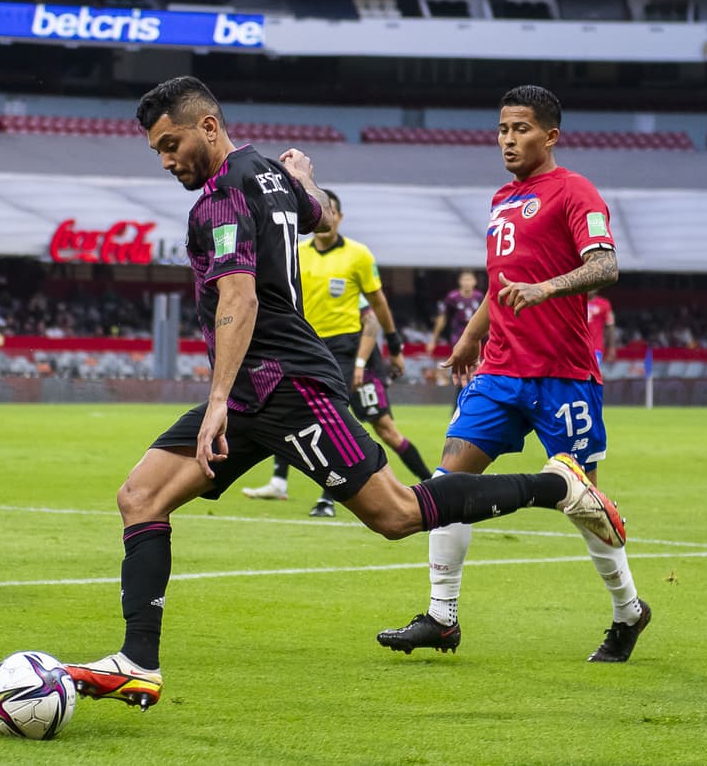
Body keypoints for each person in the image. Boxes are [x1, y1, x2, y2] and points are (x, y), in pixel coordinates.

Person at [62, 76, 630, 710]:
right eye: (158, 151)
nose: (167, 161)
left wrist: (216, 400)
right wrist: (304, 178)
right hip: (254, 389)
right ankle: (138, 662)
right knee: (140, 497)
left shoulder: (220, 199)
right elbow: (317, 216)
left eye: (172, 145)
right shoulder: (268, 173)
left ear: (209, 126)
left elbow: (239, 297)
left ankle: (556, 487)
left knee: (397, 515)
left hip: (287, 385)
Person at [376, 85, 650, 664]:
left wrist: (546, 288)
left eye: (520, 129)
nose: (507, 139)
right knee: (446, 484)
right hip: (500, 371)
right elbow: (500, 286)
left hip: (563, 375)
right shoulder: (502, 198)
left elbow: (606, 264)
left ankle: (628, 611)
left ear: (550, 135)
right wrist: (470, 338)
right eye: (502, 129)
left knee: (584, 502)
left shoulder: (575, 191)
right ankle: (441, 616)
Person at [240, 192, 433, 515]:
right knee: (287, 407)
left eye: (331, 211)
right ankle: (288, 484)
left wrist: (392, 346)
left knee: (368, 425)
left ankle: (426, 482)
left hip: (345, 351)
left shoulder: (358, 256)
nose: (324, 216)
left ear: (339, 217)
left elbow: (376, 309)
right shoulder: (295, 253)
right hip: (302, 344)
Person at [427, 270, 484, 408]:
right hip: (459, 339)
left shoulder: (479, 297)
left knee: (476, 371)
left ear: (474, 282)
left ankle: (470, 405)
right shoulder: (452, 298)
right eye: (464, 279)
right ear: (460, 282)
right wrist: (433, 339)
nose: (467, 283)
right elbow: (442, 318)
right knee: (463, 370)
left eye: (469, 279)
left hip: (478, 339)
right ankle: (458, 406)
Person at [587, 290, 617, 368]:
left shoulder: (604, 304)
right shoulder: (577, 302)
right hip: (578, 347)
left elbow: (610, 326)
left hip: (595, 347)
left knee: (592, 372)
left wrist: (612, 348)